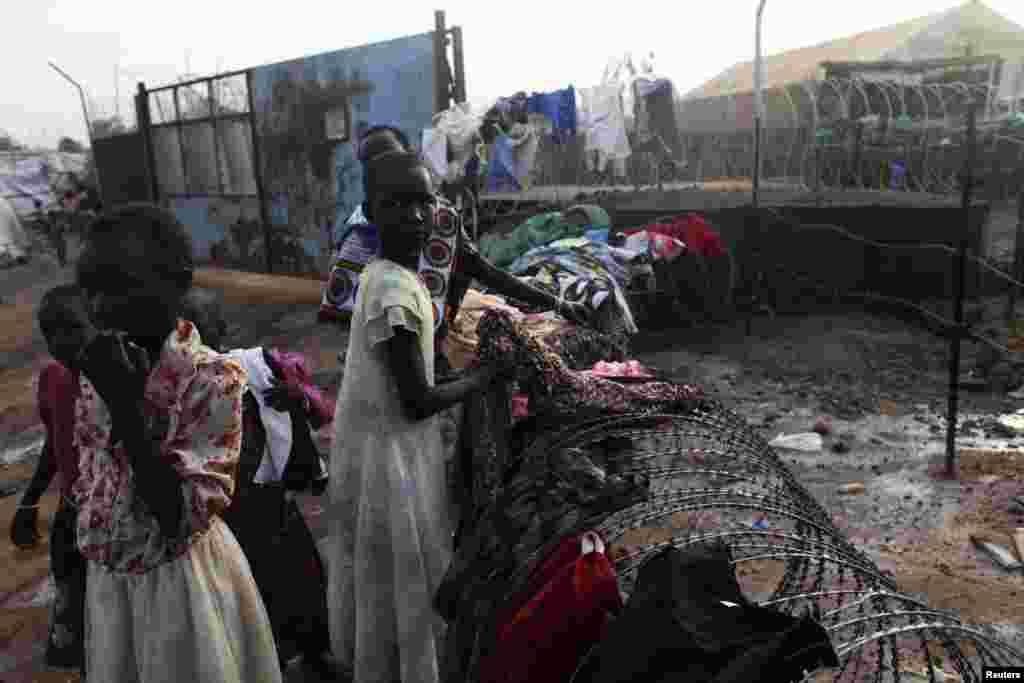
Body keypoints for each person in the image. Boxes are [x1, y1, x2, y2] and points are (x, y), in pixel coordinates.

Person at [72, 204, 282, 682]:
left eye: (119, 285)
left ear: (177, 281)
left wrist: (127, 406)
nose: (100, 306)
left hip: (182, 585)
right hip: (112, 580)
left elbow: (176, 518)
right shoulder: (103, 367)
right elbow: (90, 480)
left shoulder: (213, 379)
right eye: (91, 290)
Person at [327, 151, 512, 683]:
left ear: (436, 209)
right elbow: (416, 400)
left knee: (384, 568)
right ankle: (409, 668)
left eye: (421, 201)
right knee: (407, 567)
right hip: (394, 452)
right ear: (370, 209)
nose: (411, 214)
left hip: (382, 443)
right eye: (395, 202)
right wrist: (482, 378)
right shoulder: (391, 291)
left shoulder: (386, 273)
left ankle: (385, 662)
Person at [178, 289, 338, 678]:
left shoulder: (255, 367)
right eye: (188, 329)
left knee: (304, 579)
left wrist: (295, 397)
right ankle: (275, 663)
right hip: (227, 516)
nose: (197, 337)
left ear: (222, 329)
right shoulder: (178, 389)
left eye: (204, 326)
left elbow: (319, 411)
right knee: (251, 598)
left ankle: (318, 655)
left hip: (271, 502)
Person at [10, 284, 95, 674]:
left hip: (115, 522)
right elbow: (55, 440)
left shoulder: (117, 378)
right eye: (51, 333)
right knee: (74, 616)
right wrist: (29, 501)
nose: (61, 342)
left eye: (72, 328)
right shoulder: (54, 380)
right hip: (72, 515)